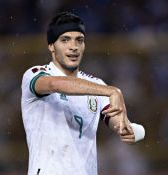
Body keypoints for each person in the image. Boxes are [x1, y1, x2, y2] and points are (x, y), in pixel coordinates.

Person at [21, 11, 145, 175]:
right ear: (51, 46)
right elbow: (55, 83)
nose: (73, 46)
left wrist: (130, 131)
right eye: (65, 40)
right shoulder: (35, 74)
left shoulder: (96, 85)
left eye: (79, 40)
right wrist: (112, 91)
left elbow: (119, 124)